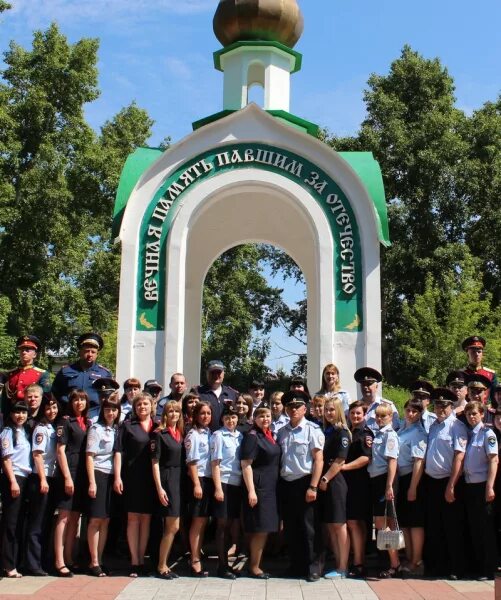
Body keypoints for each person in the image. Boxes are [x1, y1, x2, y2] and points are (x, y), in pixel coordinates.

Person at [277, 390, 324, 582]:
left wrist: (313, 487)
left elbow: (318, 460)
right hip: (286, 483)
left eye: (297, 406)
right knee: (291, 527)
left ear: (305, 409)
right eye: (290, 406)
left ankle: (314, 566)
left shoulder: (312, 430)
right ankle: (296, 564)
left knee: (309, 528)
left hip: (305, 482)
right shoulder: (281, 431)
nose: (293, 409)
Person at [424, 387, 468, 579]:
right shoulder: (433, 425)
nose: (441, 408)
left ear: (451, 406)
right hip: (431, 482)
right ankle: (438, 567)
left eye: (444, 405)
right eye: (438, 405)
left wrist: (451, 485)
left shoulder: (456, 427)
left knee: (452, 527)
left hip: (449, 481)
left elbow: (460, 456)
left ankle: (456, 568)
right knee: (435, 526)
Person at [114, 392, 156, 577]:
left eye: (145, 404)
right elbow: (118, 451)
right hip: (131, 477)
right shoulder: (127, 426)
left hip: (151, 479)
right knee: (133, 519)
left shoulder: (157, 425)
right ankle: (134, 561)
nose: (142, 407)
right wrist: (117, 476)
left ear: (151, 406)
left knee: (146, 519)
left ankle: (142, 558)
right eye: (139, 405)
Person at [53, 389, 91, 577]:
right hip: (69, 472)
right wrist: (67, 477)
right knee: (64, 517)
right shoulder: (65, 421)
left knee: (75, 518)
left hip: (83, 474)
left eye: (82, 400)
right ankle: (59, 560)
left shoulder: (88, 423)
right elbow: (60, 450)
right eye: (75, 400)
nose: (79, 403)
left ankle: (69, 557)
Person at [241, 405, 281, 579]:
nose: (265, 419)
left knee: (266, 527)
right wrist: (251, 490)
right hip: (259, 487)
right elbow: (246, 464)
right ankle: (254, 566)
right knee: (260, 528)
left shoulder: (270, 435)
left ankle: (256, 562)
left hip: (272, 487)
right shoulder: (252, 437)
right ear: (254, 418)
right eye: (262, 416)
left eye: (268, 416)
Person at [25, 394, 60, 576]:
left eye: (54, 408)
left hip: (51, 477)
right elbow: (37, 455)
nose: (52, 411)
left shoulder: (53, 427)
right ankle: (32, 563)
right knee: (37, 523)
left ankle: (42, 560)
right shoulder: (41, 429)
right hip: (41, 478)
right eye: (48, 408)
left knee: (46, 522)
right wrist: (43, 479)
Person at [86, 394, 121, 577]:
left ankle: (100, 558)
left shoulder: (115, 429)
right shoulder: (96, 429)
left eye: (114, 409)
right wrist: (92, 481)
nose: (111, 413)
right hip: (98, 474)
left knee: (106, 519)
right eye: (108, 409)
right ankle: (93, 561)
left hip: (110, 476)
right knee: (95, 520)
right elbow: (90, 456)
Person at [463, 400, 498, 580]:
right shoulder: (469, 434)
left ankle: (489, 569)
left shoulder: (487, 434)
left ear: (482, 414)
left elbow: (493, 460)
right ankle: (478, 566)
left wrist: (490, 486)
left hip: (482, 485)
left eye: (474, 414)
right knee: (474, 527)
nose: (471, 417)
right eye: (469, 414)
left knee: (485, 529)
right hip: (469, 485)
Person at [151, 400, 184, 580]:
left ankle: (163, 563)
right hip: (167, 480)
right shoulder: (159, 434)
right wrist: (160, 488)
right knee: (172, 525)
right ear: (165, 414)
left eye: (176, 411)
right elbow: (154, 463)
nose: (173, 414)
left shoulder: (179, 433)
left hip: (178, 480)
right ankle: (161, 565)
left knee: (173, 526)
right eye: (170, 411)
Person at [341, 400, 373, 579]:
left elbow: (365, 458)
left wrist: (344, 467)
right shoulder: (350, 431)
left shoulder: (365, 434)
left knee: (355, 523)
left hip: (359, 483)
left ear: (364, 415)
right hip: (349, 483)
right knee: (353, 523)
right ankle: (356, 560)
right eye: (352, 413)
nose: (355, 416)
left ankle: (359, 563)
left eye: (358, 413)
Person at [367, 403, 400, 578]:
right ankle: (391, 562)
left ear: (391, 417)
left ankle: (394, 564)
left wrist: (389, 486)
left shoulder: (390, 435)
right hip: (375, 480)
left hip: (384, 480)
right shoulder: (378, 434)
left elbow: (392, 461)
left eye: (384, 416)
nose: (380, 419)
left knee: (384, 524)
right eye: (378, 416)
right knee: (382, 525)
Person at [319, 397, 351, 579]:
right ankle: (338, 564)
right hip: (326, 482)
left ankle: (343, 567)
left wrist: (325, 478)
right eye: (326, 409)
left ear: (338, 411)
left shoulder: (342, 433)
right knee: (331, 526)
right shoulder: (327, 431)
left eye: (332, 409)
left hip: (335, 481)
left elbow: (340, 460)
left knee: (339, 525)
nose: (329, 412)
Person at [210, 404, 243, 579]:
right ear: (222, 419)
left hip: (236, 484)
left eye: (234, 417)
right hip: (223, 482)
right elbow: (215, 463)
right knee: (222, 525)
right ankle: (222, 566)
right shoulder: (218, 435)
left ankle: (229, 564)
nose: (231, 420)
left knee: (232, 524)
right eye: (228, 417)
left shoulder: (240, 436)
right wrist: (217, 488)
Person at [0, 401, 32, 578]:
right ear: (11, 414)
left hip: (25, 478)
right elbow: (6, 459)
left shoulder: (25, 431)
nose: (20, 415)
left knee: (19, 521)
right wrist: (12, 481)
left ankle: (15, 561)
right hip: (14, 477)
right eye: (17, 412)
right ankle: (7, 564)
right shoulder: (8, 432)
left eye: (23, 412)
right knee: (10, 523)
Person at [397, 399, 427, 575]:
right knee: (406, 522)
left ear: (420, 413)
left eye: (415, 411)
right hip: (401, 479)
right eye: (408, 410)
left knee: (415, 523)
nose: (410, 414)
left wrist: (413, 487)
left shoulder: (418, 433)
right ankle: (409, 559)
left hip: (412, 479)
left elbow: (419, 462)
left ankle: (417, 561)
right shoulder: (403, 429)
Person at [184, 401, 213, 577]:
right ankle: (194, 559)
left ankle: (197, 553)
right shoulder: (193, 434)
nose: (206, 416)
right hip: (198, 480)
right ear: (195, 415)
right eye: (202, 413)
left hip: (208, 479)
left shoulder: (209, 433)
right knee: (197, 521)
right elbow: (192, 462)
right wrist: (196, 484)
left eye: (208, 413)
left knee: (202, 521)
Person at [52, 333, 112, 414]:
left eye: (93, 352)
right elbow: (55, 394)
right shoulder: (66, 371)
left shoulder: (104, 373)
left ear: (97, 354)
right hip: (69, 415)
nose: (90, 355)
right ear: (80, 351)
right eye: (87, 351)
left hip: (94, 415)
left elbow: (109, 398)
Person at [3, 335, 50, 413]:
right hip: (11, 415)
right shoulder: (10, 373)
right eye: (22, 350)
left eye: (27, 350)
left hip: (32, 416)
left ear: (35, 355)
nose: (24, 352)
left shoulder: (42, 374)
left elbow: (46, 398)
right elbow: (4, 400)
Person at [353, 367, 399, 432]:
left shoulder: (388, 406)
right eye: (363, 385)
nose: (365, 387)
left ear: (376, 386)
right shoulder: (356, 407)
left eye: (369, 384)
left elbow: (396, 429)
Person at [197, 360, 238, 431]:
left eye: (219, 372)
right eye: (212, 372)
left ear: (223, 374)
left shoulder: (232, 393)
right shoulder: (198, 393)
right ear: (207, 373)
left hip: (227, 437)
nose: (216, 375)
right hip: (205, 437)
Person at [462, 335, 498, 403]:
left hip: (485, 411)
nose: (476, 354)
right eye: (473, 352)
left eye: (479, 351)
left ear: (482, 354)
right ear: (467, 353)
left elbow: (495, 399)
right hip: (465, 412)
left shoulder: (491, 374)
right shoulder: (461, 374)